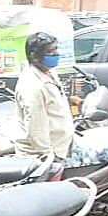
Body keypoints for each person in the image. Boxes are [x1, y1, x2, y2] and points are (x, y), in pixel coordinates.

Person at [13, 32, 74, 161]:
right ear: (34, 56)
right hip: (43, 155)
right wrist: (48, 155)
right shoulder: (32, 85)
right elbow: (35, 127)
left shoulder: (50, 72)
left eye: (56, 49)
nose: (56, 54)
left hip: (60, 147)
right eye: (50, 51)